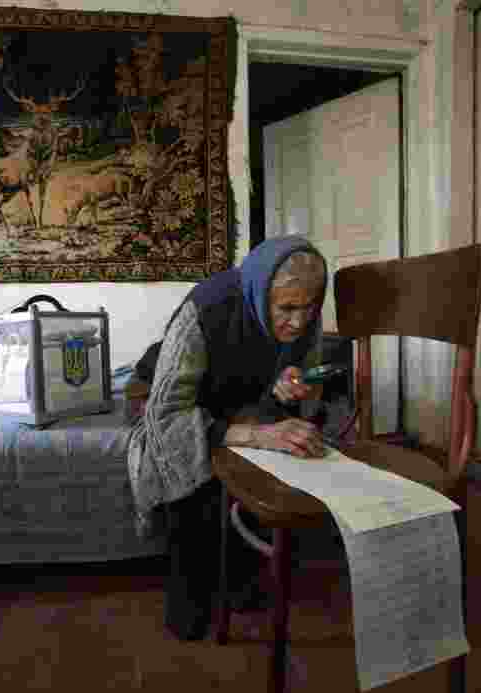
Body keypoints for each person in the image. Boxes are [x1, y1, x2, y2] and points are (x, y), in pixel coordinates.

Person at [126, 235, 329, 641]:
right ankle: (189, 600)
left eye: (309, 308)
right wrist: (255, 434)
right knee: (193, 475)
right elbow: (166, 414)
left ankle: (240, 582)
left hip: (234, 399)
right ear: (258, 292)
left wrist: (290, 384)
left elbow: (302, 376)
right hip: (164, 397)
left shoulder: (304, 314)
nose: (299, 322)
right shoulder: (205, 310)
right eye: (287, 309)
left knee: (269, 461)